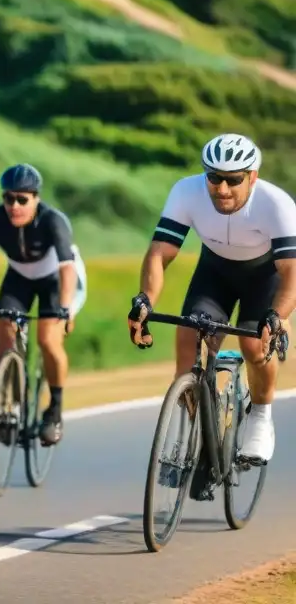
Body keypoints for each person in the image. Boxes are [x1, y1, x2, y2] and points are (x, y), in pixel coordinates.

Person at [126, 133, 296, 469]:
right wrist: (145, 299)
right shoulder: (186, 191)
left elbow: (291, 272)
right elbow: (160, 253)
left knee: (253, 345)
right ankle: (200, 435)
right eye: (214, 177)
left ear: (253, 177)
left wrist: (277, 315)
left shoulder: (276, 204)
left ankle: (261, 415)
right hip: (214, 272)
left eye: (234, 180)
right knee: (188, 343)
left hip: (264, 278)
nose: (222, 189)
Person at [0, 164, 86, 446]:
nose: (14, 206)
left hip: (58, 278)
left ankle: (54, 409)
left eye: (22, 199)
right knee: (4, 327)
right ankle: (10, 402)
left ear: (36, 198)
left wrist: (65, 309)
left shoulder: (53, 220)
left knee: (48, 340)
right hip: (20, 276)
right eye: (8, 198)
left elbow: (67, 268)